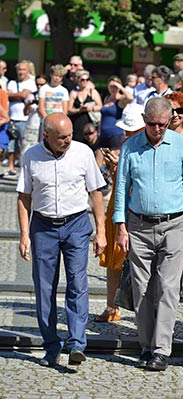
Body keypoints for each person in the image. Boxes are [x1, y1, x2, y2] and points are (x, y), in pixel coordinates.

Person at [113, 97, 183, 371]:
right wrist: (120, 224)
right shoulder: (131, 147)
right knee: (141, 289)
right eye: (152, 124)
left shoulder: (181, 145)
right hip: (138, 225)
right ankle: (146, 345)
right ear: (144, 119)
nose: (157, 129)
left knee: (167, 288)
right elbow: (121, 186)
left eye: (162, 124)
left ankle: (162, 349)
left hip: (173, 223)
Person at [17, 113, 106, 367]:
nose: (68, 140)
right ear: (46, 135)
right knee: (44, 288)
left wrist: (100, 231)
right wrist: (24, 234)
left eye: (70, 135)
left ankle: (77, 343)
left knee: (78, 283)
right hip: (43, 226)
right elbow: (24, 197)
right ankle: (51, 346)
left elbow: (95, 193)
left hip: (76, 224)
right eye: (62, 137)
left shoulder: (83, 152)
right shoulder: (31, 156)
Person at [95, 104, 145, 323]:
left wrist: (118, 170)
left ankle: (140, 310)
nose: (127, 133)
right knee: (113, 257)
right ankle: (111, 306)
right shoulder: (125, 144)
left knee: (136, 261)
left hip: (137, 207)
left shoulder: (147, 147)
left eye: (131, 130)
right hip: (118, 204)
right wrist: (114, 169)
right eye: (126, 129)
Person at [7, 60, 37, 176]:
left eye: (24, 69)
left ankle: (25, 168)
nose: (21, 72)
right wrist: (19, 95)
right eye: (19, 69)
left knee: (24, 145)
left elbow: (25, 95)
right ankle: (11, 167)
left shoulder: (31, 83)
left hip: (25, 119)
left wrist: (15, 95)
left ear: (28, 71)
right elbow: (7, 94)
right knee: (11, 145)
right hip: (12, 118)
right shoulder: (12, 83)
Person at [66, 70, 103, 142]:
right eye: (82, 79)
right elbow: (69, 109)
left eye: (87, 79)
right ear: (78, 80)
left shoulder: (92, 92)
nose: (85, 81)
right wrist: (79, 110)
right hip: (78, 122)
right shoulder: (74, 93)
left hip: (90, 122)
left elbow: (100, 106)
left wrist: (90, 108)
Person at [100, 76, 133, 151]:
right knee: (100, 158)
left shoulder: (120, 99)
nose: (112, 89)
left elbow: (130, 98)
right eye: (111, 86)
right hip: (103, 133)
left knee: (114, 159)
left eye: (114, 87)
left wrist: (120, 86)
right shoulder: (107, 98)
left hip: (115, 133)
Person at [21, 74, 47, 155]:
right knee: (27, 148)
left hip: (44, 125)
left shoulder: (49, 96)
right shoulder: (31, 95)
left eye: (42, 84)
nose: (39, 87)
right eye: (37, 84)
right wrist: (28, 104)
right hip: (32, 125)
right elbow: (25, 113)